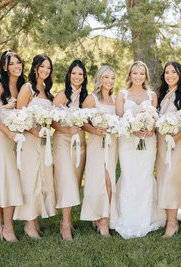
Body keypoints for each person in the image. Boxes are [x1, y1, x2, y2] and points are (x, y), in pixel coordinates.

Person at [110, 61, 165, 239]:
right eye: (135, 73)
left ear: (146, 76)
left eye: (142, 73)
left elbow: (156, 118)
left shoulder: (152, 94)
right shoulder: (122, 94)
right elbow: (118, 120)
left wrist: (151, 129)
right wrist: (131, 128)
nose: (138, 76)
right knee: (129, 176)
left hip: (148, 142)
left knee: (145, 176)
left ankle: (145, 217)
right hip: (127, 142)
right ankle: (127, 219)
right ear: (130, 75)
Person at [13, 54, 57, 239]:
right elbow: (19, 117)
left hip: (44, 142)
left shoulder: (47, 90)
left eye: (48, 68)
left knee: (42, 179)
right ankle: (29, 224)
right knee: (30, 179)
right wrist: (35, 132)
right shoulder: (27, 88)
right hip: (30, 141)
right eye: (43, 67)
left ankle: (35, 219)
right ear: (35, 67)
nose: (45, 70)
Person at [0, 51, 25, 242]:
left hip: (17, 137)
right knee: (7, 178)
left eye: (19, 62)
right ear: (4, 67)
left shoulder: (21, 85)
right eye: (12, 63)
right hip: (1, 137)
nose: (17, 66)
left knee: (5, 178)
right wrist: (9, 133)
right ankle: (8, 228)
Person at [156, 62, 181, 237]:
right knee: (164, 179)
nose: (170, 75)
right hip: (162, 142)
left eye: (174, 72)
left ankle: (172, 223)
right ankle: (167, 218)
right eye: (167, 72)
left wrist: (176, 138)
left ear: (180, 74)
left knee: (172, 180)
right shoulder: (162, 94)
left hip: (178, 142)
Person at [80, 65, 118, 237]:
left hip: (112, 144)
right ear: (100, 79)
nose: (109, 81)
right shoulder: (91, 99)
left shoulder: (116, 100)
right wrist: (95, 130)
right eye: (106, 77)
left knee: (108, 181)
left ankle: (101, 217)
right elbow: (82, 122)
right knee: (101, 181)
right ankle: (103, 221)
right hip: (96, 143)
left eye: (112, 78)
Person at [52, 59, 88, 240]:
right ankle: (65, 224)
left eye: (80, 74)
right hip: (63, 140)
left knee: (74, 180)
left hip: (80, 142)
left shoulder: (86, 97)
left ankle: (69, 218)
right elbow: (51, 120)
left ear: (84, 77)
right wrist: (65, 129)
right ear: (69, 75)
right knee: (66, 180)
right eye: (74, 73)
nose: (77, 77)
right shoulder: (61, 95)